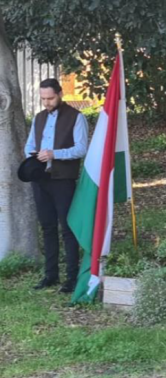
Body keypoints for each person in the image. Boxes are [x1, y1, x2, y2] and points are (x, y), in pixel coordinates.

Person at [25, 78, 89, 293]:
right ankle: (50, 275)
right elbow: (30, 146)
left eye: (50, 98)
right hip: (41, 179)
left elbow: (81, 149)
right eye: (43, 99)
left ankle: (71, 278)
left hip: (63, 180)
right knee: (47, 227)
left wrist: (55, 154)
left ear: (60, 94)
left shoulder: (76, 117)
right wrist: (32, 156)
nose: (46, 102)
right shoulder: (39, 118)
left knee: (67, 228)